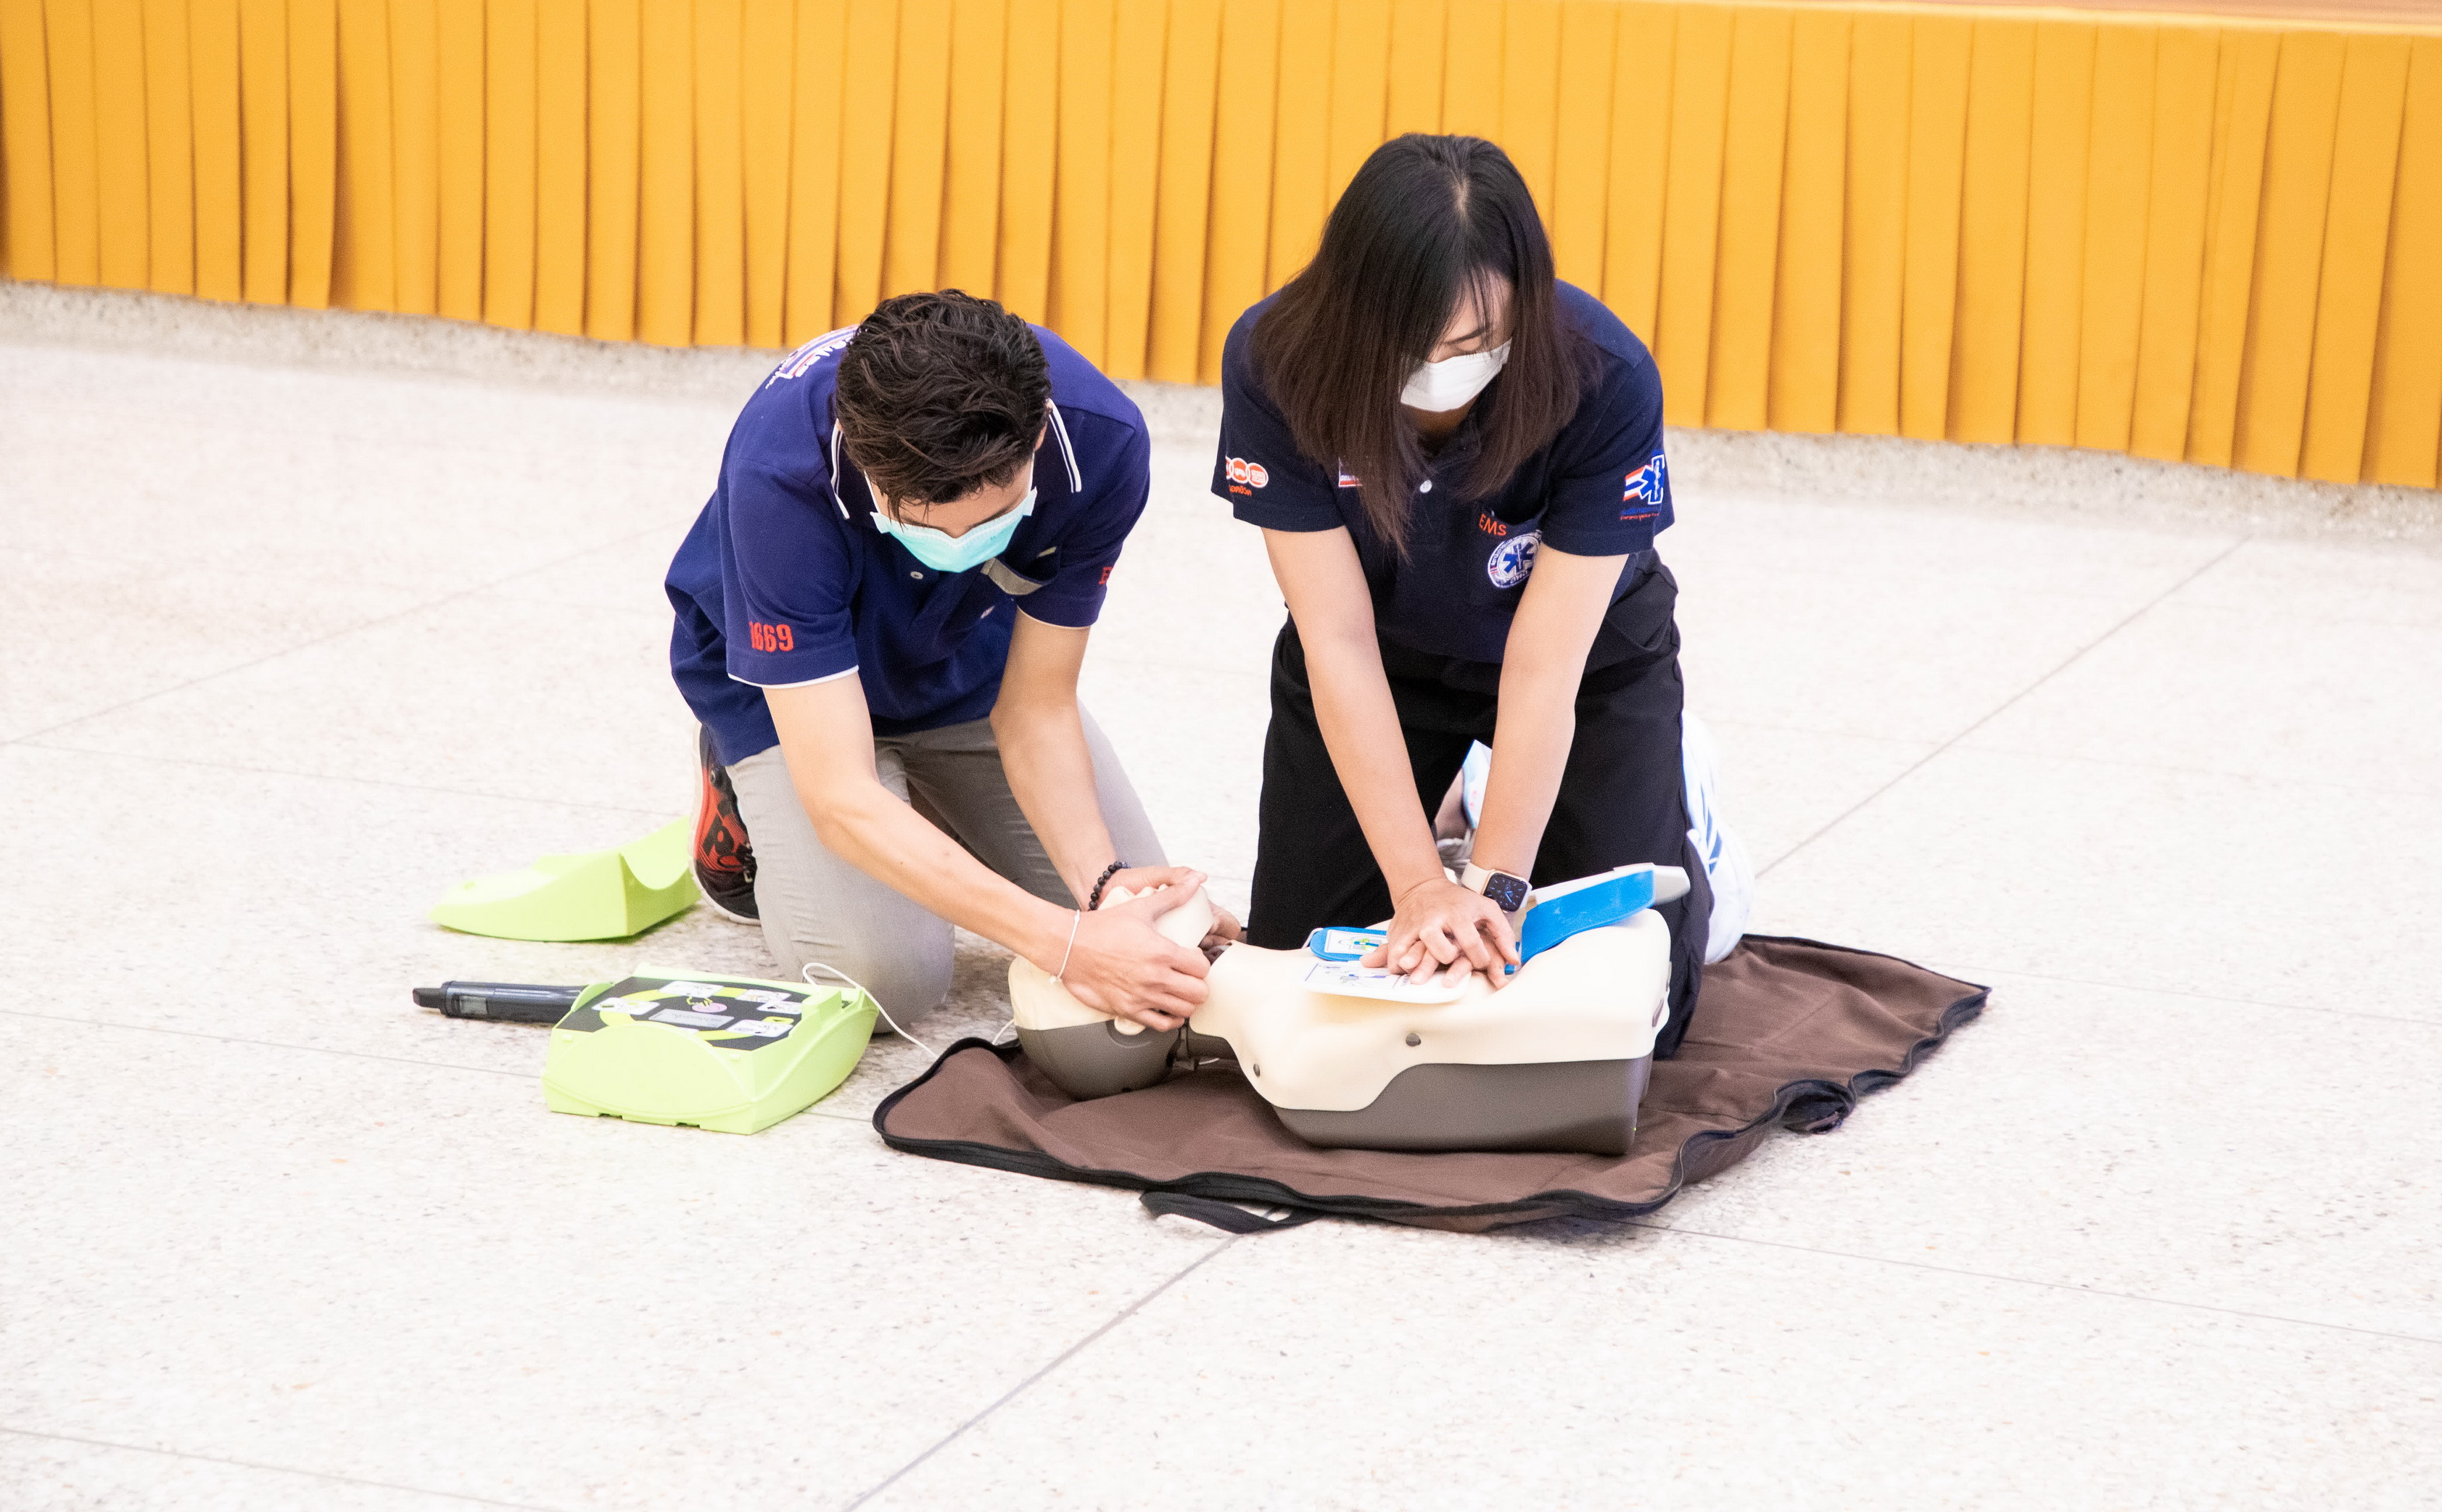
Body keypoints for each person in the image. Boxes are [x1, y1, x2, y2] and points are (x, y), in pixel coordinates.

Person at [1211, 133, 1713, 1055]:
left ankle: (1687, 826)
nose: (1442, 364)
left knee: (1638, 1014)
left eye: (1477, 341)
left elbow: (1546, 668)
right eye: (1410, 341)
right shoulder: (1277, 357)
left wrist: (1495, 891)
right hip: (1383, 657)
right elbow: (1336, 638)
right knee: (1298, 974)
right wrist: (1416, 888)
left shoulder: (1604, 371)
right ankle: (1452, 811)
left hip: (1585, 667)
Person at [666, 288, 1227, 1038]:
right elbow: (839, 793)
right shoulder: (780, 471)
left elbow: (1037, 706)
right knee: (883, 979)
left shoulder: (1100, 441)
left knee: (1147, 929)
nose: (961, 543)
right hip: (788, 696)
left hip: (962, 659)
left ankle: (927, 814)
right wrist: (1066, 945)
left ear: (1035, 440)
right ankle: (743, 789)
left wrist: (1104, 890)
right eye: (920, 522)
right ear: (862, 460)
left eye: (993, 520)